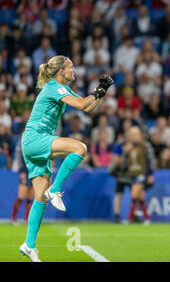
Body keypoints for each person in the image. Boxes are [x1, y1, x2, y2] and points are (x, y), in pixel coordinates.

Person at [19, 55, 114, 262]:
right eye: (71, 67)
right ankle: (55, 190)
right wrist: (97, 92)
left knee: (39, 198)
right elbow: (81, 104)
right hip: (36, 138)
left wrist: (101, 92)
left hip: (32, 142)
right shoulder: (54, 87)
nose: (74, 70)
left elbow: (88, 107)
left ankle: (29, 245)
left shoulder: (62, 89)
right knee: (79, 148)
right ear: (61, 70)